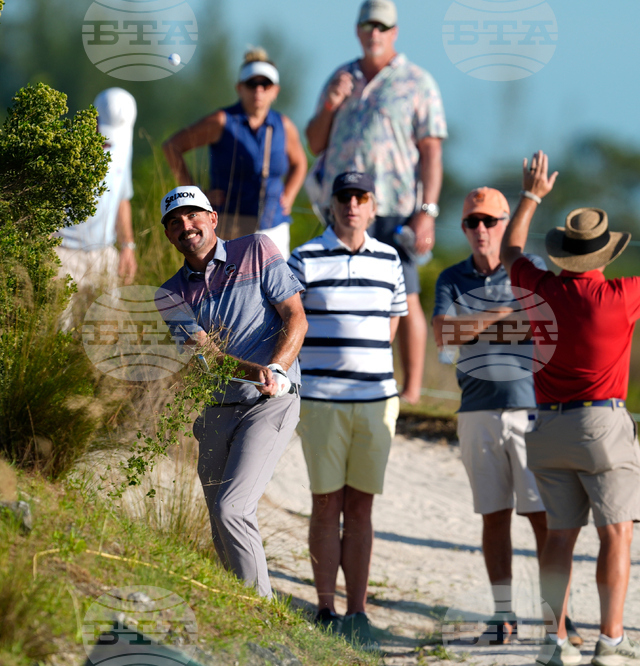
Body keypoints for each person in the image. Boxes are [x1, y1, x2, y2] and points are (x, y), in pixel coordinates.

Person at [501, 151, 640, 666]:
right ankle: (611, 641)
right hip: (601, 425)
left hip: (547, 424)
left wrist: (530, 196)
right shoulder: (618, 296)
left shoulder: (539, 288)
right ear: (604, 255)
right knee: (616, 532)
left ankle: (554, 641)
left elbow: (509, 250)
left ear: (563, 254)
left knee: (559, 537)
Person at [432, 187, 583, 647]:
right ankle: (503, 615)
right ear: (464, 227)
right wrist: (501, 313)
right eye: (471, 222)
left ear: (504, 224)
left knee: (543, 519)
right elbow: (443, 335)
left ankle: (558, 617)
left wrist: (472, 323)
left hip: (530, 410)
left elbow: (541, 324)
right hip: (476, 411)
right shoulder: (451, 277)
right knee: (493, 517)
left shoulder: (528, 269)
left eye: (489, 221)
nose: (480, 229)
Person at [156, 185, 307, 598]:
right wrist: (255, 369)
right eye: (175, 222)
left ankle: (262, 612)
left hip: (269, 402)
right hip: (217, 408)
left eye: (193, 215)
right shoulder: (169, 295)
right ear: (169, 235)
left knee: (232, 509)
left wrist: (277, 368)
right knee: (219, 521)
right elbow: (207, 356)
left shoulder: (257, 249)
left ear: (212, 218)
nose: (186, 226)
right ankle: (238, 604)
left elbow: (295, 316)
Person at [287, 172, 407, 653]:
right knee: (325, 504)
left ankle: (357, 612)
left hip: (377, 399)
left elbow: (393, 321)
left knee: (361, 507)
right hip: (321, 399)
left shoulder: (390, 258)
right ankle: (324, 609)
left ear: (373, 206)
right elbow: (289, 318)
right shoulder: (304, 257)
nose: (352, 204)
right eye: (344, 197)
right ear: (332, 204)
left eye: (361, 197)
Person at [304, 0, 447, 404]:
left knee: (406, 295)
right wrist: (331, 104)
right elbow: (314, 142)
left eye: (383, 27)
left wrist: (427, 212)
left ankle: (412, 389)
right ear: (358, 29)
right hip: (343, 206)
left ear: (395, 32)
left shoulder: (417, 82)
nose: (375, 33)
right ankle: (345, 378)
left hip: (394, 206)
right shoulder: (340, 77)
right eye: (368, 25)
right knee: (338, 291)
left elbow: (432, 152)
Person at [162, 48, 307, 259]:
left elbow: (300, 163)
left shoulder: (284, 126)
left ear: (275, 90)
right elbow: (172, 147)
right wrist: (196, 193)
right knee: (231, 278)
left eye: (265, 84)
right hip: (230, 224)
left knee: (276, 279)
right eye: (252, 84)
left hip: (274, 226)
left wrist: (289, 195)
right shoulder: (222, 122)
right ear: (239, 88)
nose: (258, 90)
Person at [56, 87, 138, 301]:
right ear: (94, 117)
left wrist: (127, 246)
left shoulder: (124, 147)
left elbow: (122, 199)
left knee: (106, 321)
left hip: (104, 254)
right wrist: (46, 254)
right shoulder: (66, 148)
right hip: (63, 253)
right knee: (59, 321)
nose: (109, 140)